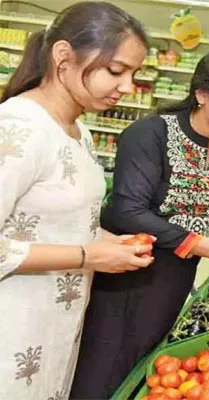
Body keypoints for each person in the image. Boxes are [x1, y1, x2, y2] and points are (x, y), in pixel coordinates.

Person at [70, 45, 209, 399]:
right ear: (203, 93)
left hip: (176, 276)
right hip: (124, 271)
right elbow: (127, 211)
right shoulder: (149, 135)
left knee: (143, 363)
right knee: (101, 365)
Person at [0, 2, 155, 399]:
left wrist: (105, 240)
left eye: (134, 74)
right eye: (116, 71)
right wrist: (88, 257)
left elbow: (59, 218)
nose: (126, 86)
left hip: (53, 325)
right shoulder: (18, 129)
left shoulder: (77, 131)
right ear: (64, 57)